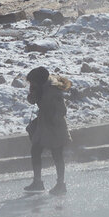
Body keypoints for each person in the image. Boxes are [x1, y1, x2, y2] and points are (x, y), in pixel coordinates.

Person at [24, 66, 70, 194]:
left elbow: (62, 110)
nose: (31, 84)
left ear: (39, 80)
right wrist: (32, 94)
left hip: (55, 127)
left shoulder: (53, 91)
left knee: (57, 155)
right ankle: (37, 182)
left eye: (32, 82)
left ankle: (61, 184)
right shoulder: (40, 89)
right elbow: (33, 101)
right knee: (35, 150)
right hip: (43, 125)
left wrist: (53, 119)